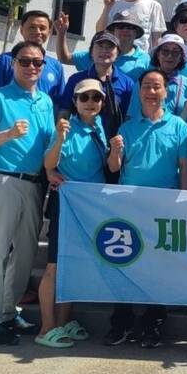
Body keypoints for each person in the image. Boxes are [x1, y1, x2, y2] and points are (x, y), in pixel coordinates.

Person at [0, 40, 55, 345]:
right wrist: (8, 134)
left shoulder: (45, 102)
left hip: (34, 184)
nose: (31, 67)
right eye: (25, 61)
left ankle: (7, 313)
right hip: (4, 181)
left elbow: (47, 144)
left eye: (37, 62)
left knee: (24, 255)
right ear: (13, 63)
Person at [106, 68, 187, 347]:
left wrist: (185, 201)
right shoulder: (126, 127)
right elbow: (114, 168)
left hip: (164, 205)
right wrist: (116, 152)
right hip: (130, 203)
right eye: (147, 87)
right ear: (139, 91)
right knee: (126, 262)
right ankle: (122, 322)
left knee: (159, 266)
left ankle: (153, 323)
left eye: (157, 87)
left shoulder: (179, 126)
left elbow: (184, 168)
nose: (152, 92)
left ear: (166, 91)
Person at [35, 78, 107, 349]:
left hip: (89, 207)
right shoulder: (64, 127)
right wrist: (60, 139)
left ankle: (64, 322)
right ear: (75, 101)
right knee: (54, 266)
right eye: (85, 97)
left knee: (72, 266)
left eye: (96, 98)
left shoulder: (99, 126)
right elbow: (49, 164)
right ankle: (46, 327)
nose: (91, 102)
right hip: (66, 205)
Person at [59, 31, 136, 156]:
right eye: (100, 46)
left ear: (117, 54)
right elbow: (65, 111)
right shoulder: (76, 80)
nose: (104, 51)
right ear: (91, 52)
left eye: (110, 47)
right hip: (80, 146)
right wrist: (60, 138)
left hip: (113, 147)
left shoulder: (127, 83)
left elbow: (128, 118)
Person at [0, 10, 65, 98]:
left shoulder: (56, 66)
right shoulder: (5, 60)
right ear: (22, 30)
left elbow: (60, 101)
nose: (37, 32)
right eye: (32, 27)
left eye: (42, 28)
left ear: (49, 32)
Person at [58, 11, 149, 81]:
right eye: (121, 26)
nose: (125, 30)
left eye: (130, 27)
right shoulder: (97, 55)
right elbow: (64, 58)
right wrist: (61, 33)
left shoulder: (145, 59)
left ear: (136, 32)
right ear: (113, 31)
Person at [130, 34, 187, 117]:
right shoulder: (144, 82)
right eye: (165, 51)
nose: (170, 56)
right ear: (158, 55)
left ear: (181, 57)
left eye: (175, 52)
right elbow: (132, 115)